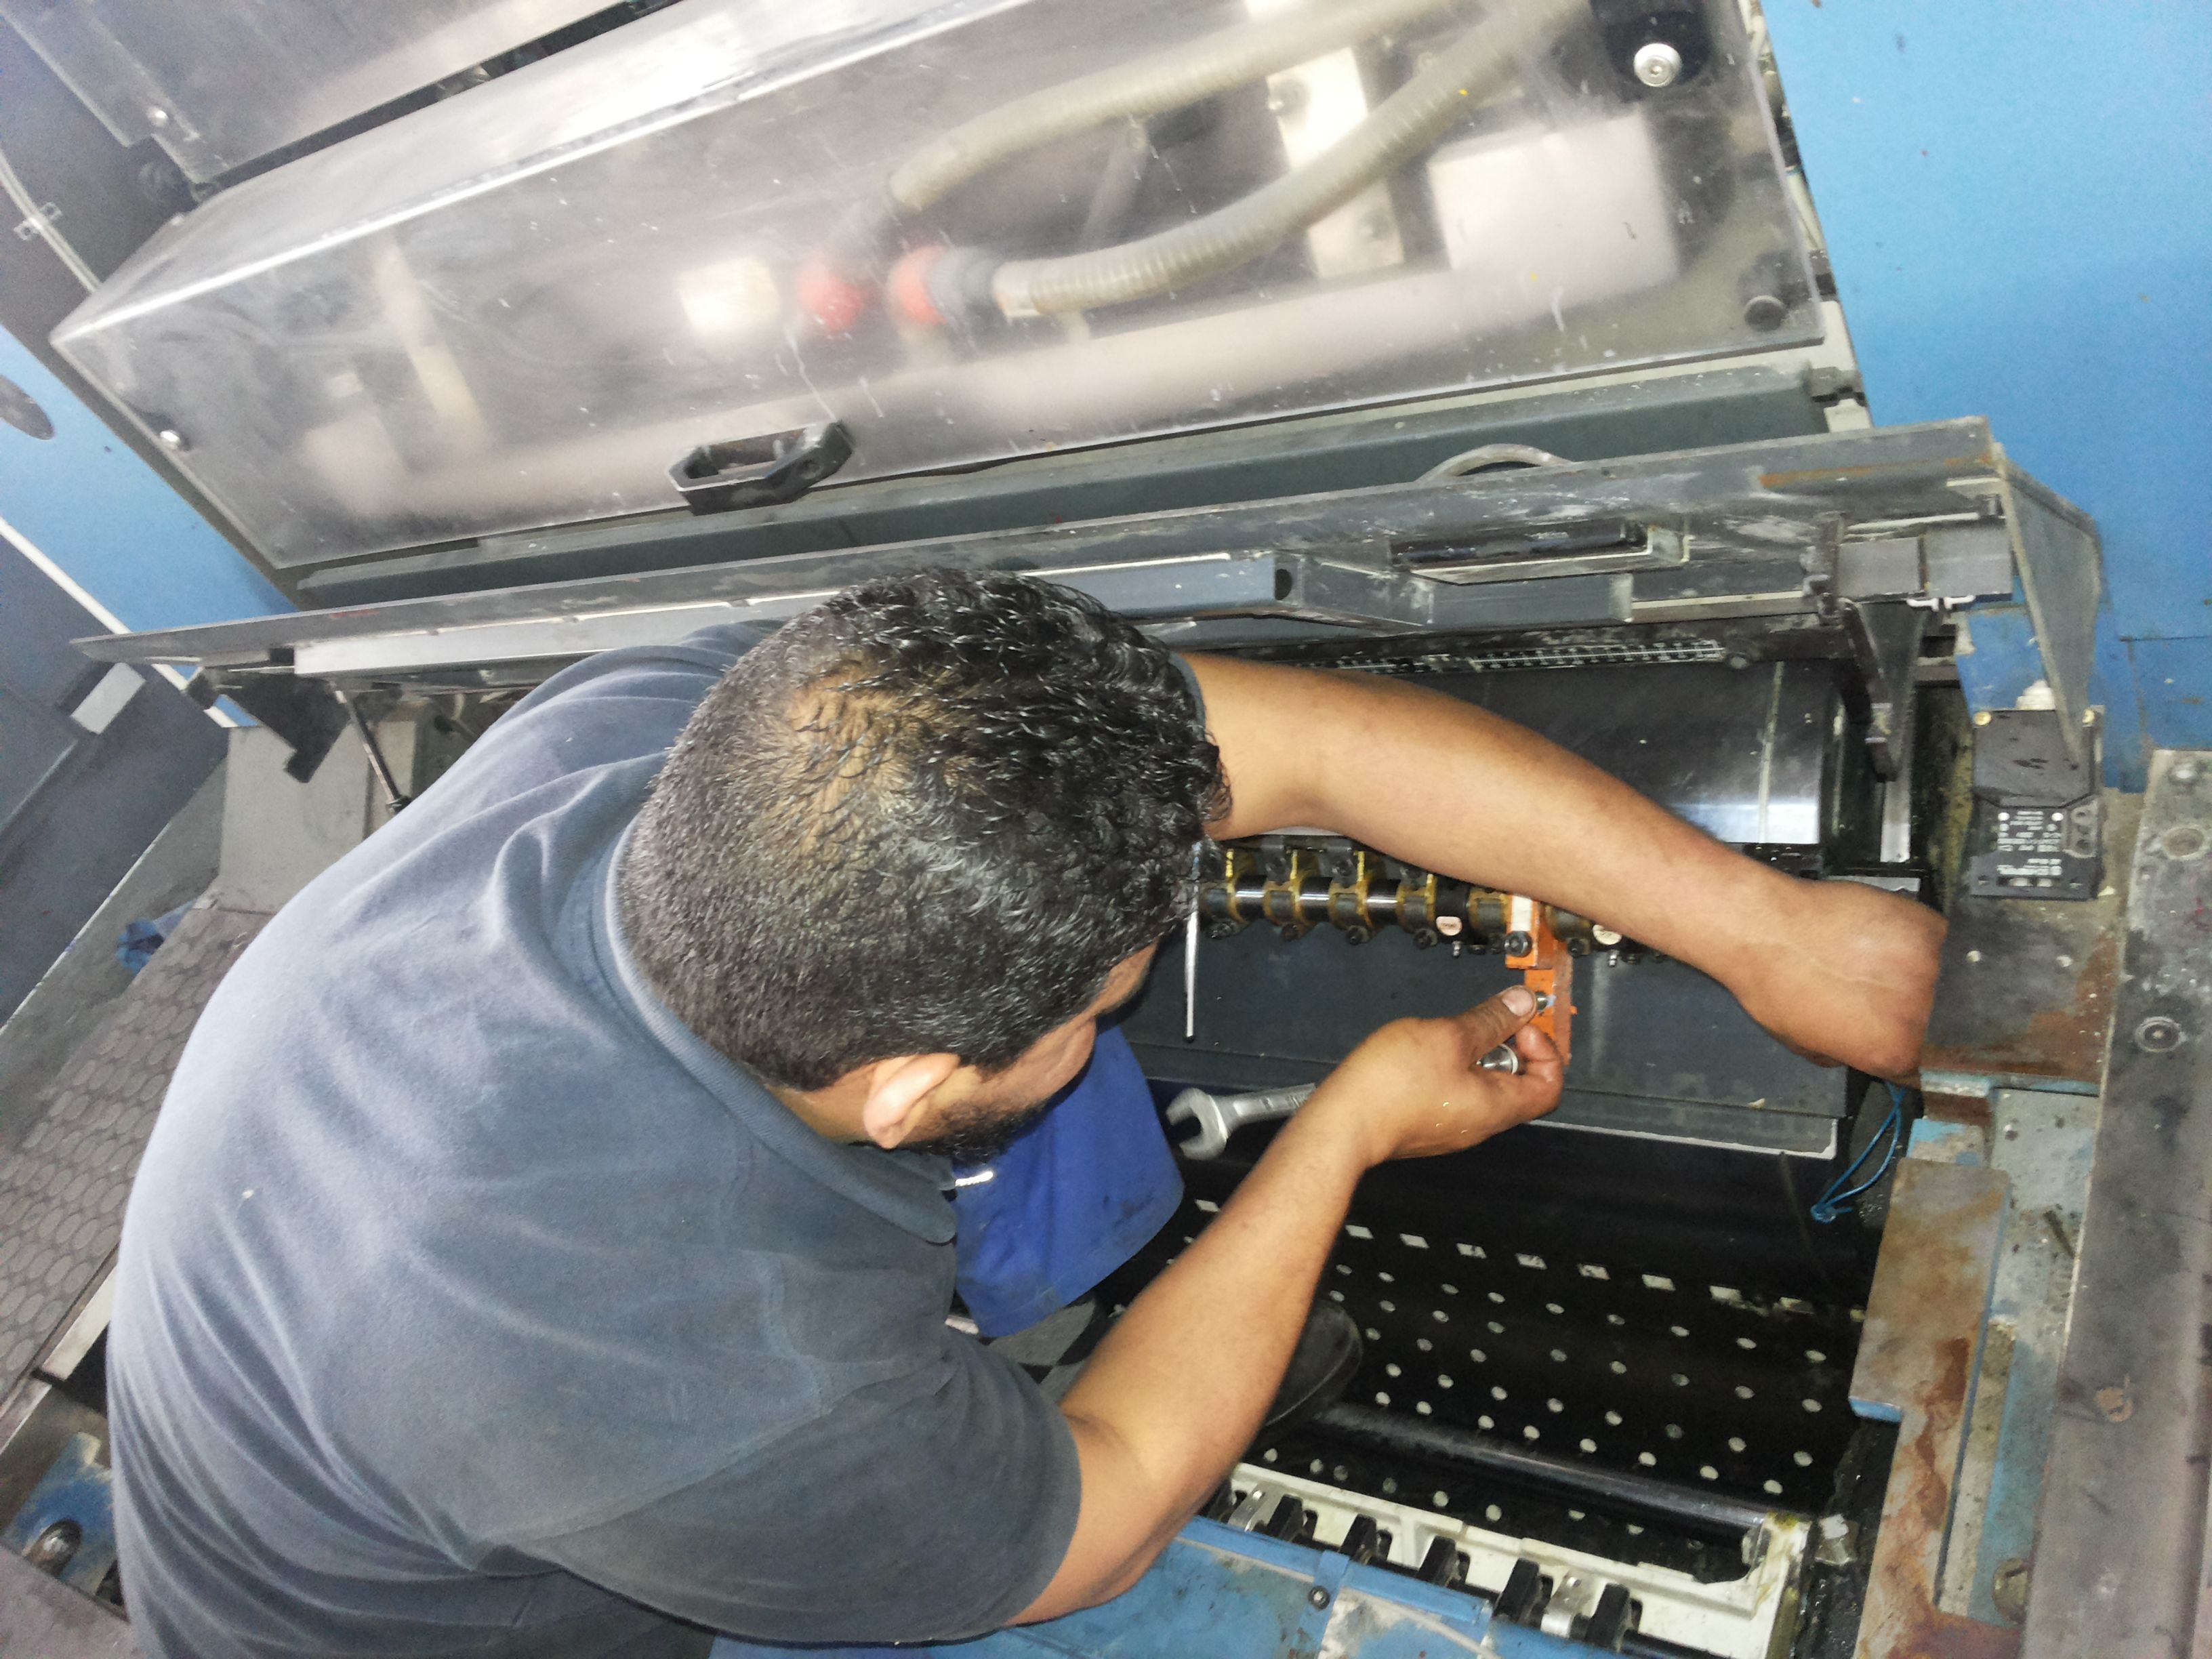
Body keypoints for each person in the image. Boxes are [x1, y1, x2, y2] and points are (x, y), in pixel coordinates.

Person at [108, 571, 1942, 1657]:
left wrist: (1763, 930)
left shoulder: (703, 732)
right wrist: (1348, 1128)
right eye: (1100, 1000)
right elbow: (1102, 1523)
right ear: (908, 1089)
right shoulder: (693, 1373)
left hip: (389, 1290)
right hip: (490, 1599)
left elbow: (1309, 745)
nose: (1124, 1004)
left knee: (1059, 1119)